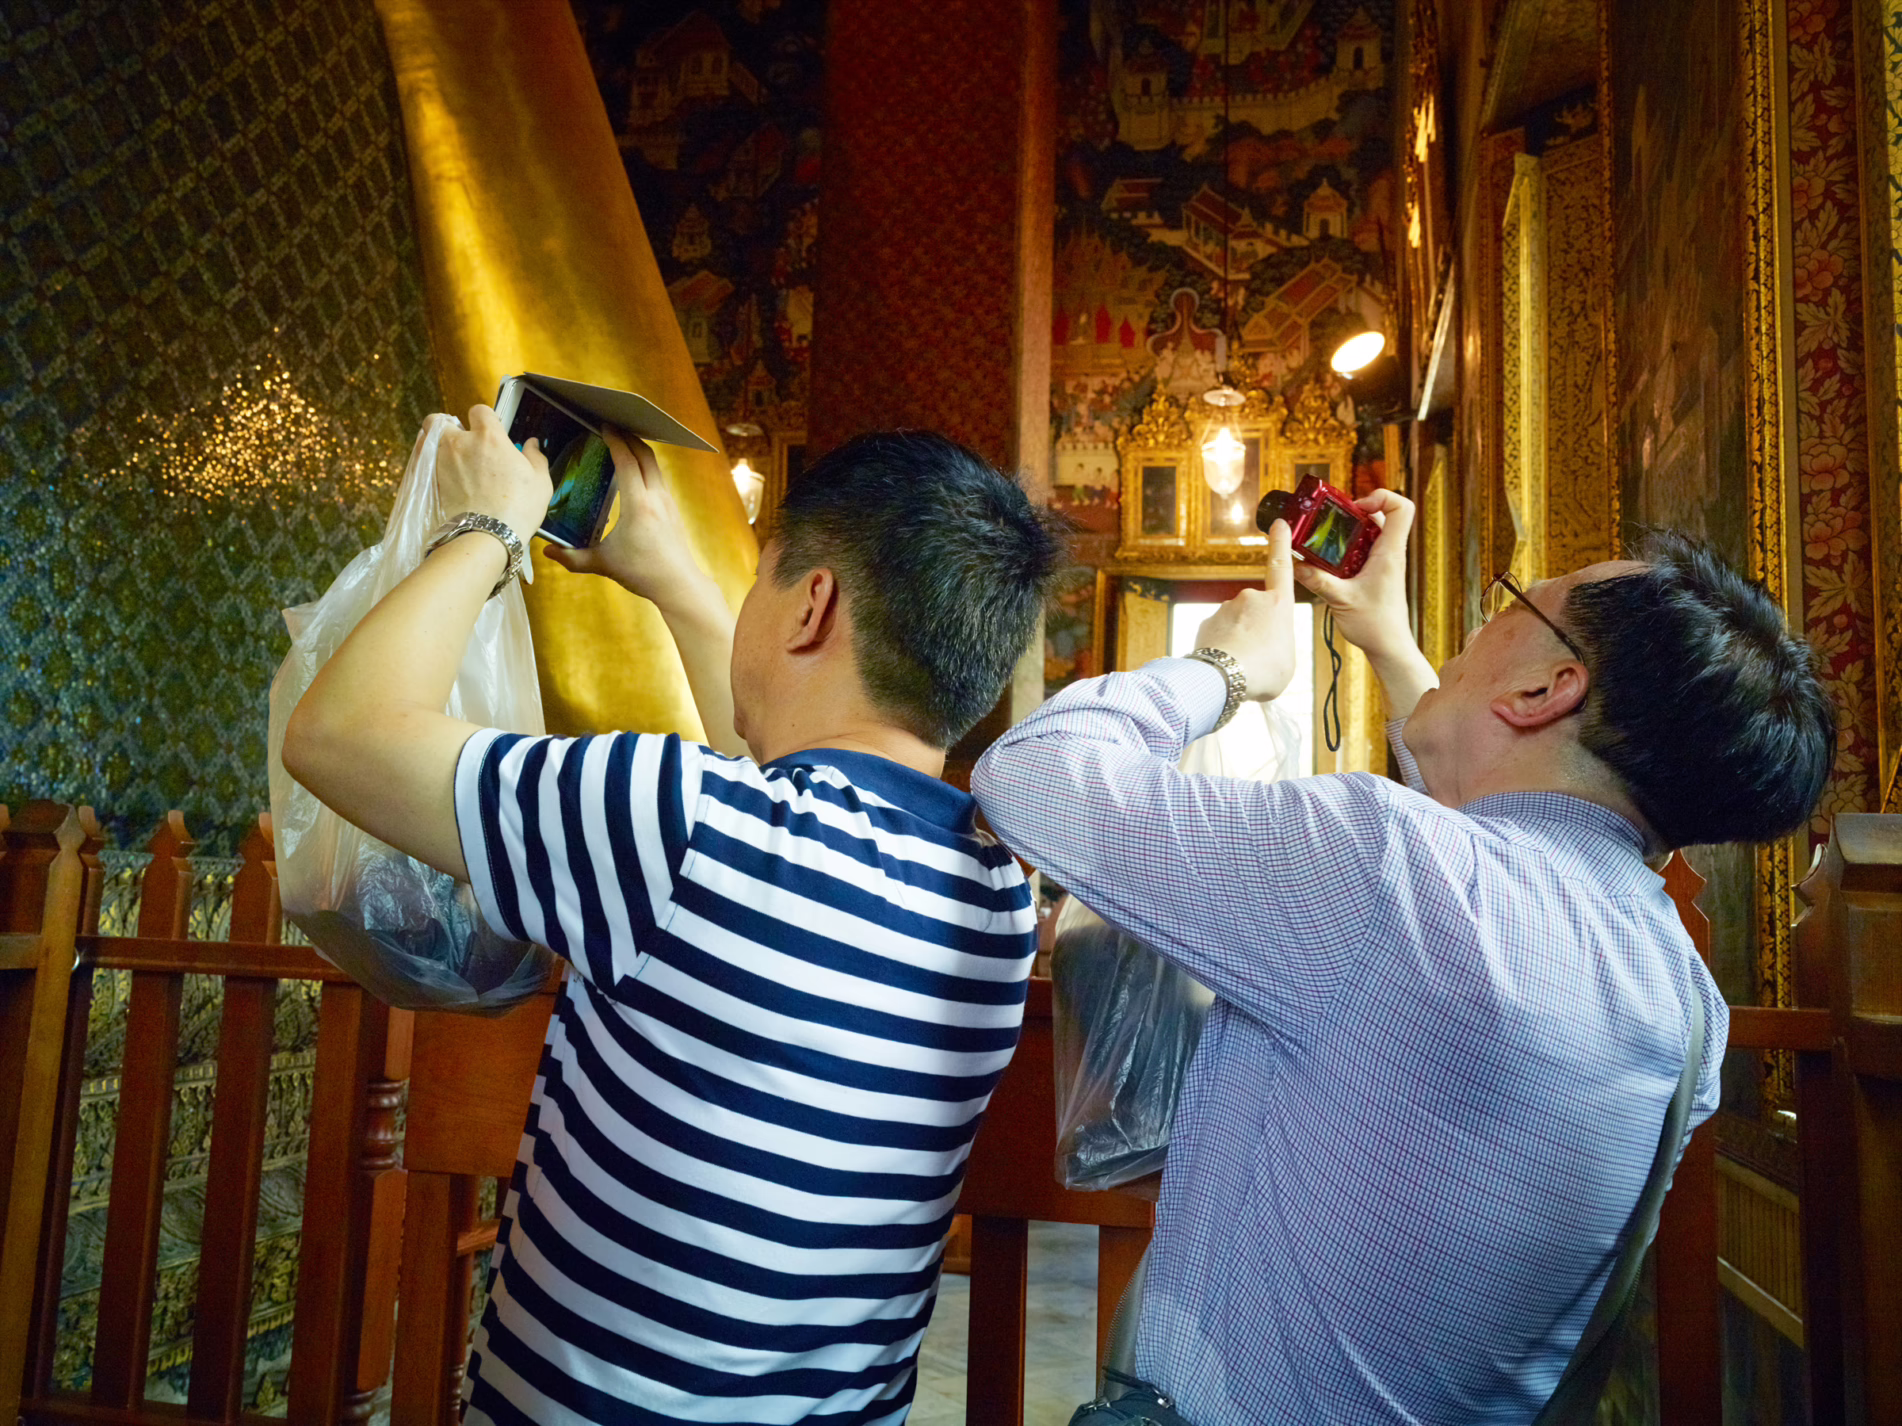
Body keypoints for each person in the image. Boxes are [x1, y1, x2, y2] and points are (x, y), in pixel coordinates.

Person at [972, 495, 1834, 1425]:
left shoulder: (1384, 867)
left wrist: (1220, 669)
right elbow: (1488, 847)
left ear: (1547, 690)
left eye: (1512, 603)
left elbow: (1030, 775)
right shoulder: (1687, 1006)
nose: (1475, 629)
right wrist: (1385, 636)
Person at [283, 410, 1065, 1425]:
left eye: (762, 579)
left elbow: (338, 734)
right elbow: (776, 805)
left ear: (812, 604)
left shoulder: (671, 821)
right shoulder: (995, 897)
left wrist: (486, 527)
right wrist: (668, 573)